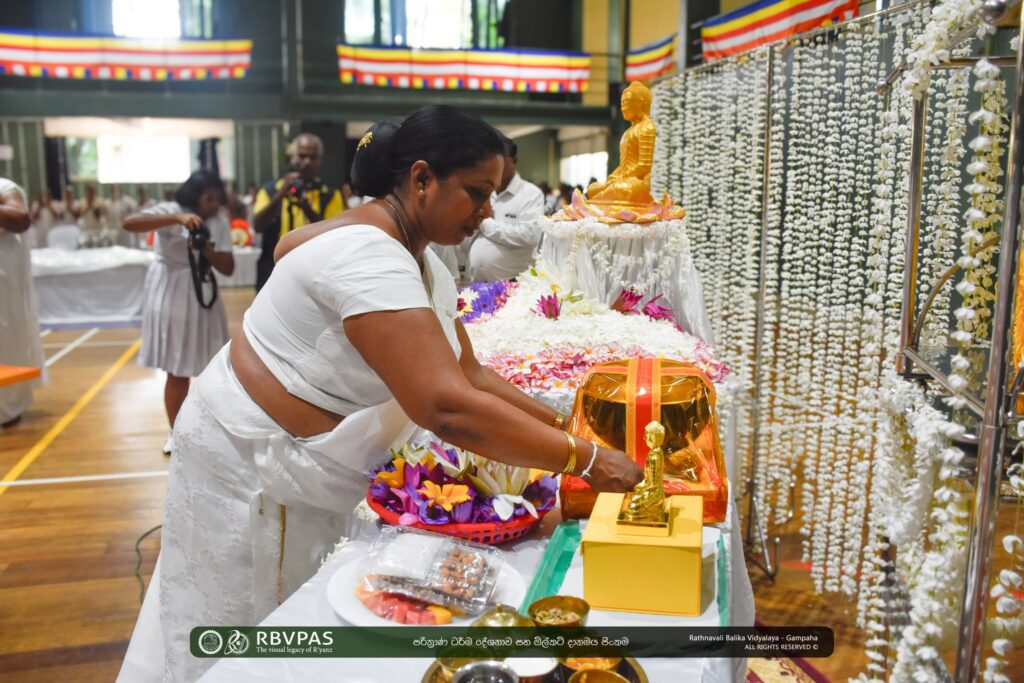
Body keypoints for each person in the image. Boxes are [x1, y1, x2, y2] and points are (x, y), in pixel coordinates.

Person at [118, 105, 642, 683]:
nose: (488, 212)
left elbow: (469, 373)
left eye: (493, 195)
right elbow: (445, 408)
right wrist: (586, 460)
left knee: (296, 613)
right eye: (476, 192)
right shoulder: (368, 254)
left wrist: (567, 424)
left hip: (303, 463)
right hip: (249, 461)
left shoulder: (421, 259)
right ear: (421, 179)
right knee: (245, 621)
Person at [122, 171, 235, 456]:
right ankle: (176, 432)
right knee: (177, 368)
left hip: (203, 293)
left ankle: (210, 431)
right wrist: (177, 219)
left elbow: (228, 267)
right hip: (171, 292)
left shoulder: (218, 221)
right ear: (195, 195)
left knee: (212, 368)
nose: (214, 205)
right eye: (209, 198)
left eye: (217, 199)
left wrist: (206, 249)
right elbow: (130, 223)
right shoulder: (171, 210)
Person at [252, 133, 344, 291]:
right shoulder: (269, 191)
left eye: (312, 157)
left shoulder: (330, 195)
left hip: (315, 274)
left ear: (320, 161)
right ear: (291, 157)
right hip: (273, 273)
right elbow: (257, 225)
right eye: (301, 156)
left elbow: (333, 237)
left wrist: (307, 209)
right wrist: (280, 194)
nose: (307, 162)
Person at [467, 136, 545, 281]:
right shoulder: (483, 191)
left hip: (514, 282)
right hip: (477, 281)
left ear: (514, 161)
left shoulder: (530, 194)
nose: (495, 166)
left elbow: (529, 236)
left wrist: (486, 224)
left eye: (501, 160)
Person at [0, 177, 44, 427]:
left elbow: (20, 219)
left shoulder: (4, 188)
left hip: (3, 280)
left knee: (4, 341)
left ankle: (5, 408)